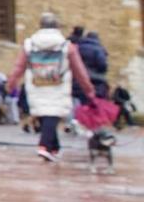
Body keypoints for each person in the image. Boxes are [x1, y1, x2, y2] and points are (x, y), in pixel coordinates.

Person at [7, 13, 98, 162]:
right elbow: (79, 71)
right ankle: (44, 146)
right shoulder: (67, 46)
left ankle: (54, 148)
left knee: (44, 113)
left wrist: (11, 83)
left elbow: (19, 67)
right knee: (52, 114)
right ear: (57, 27)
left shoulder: (29, 44)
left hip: (37, 83)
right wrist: (89, 89)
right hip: (58, 84)